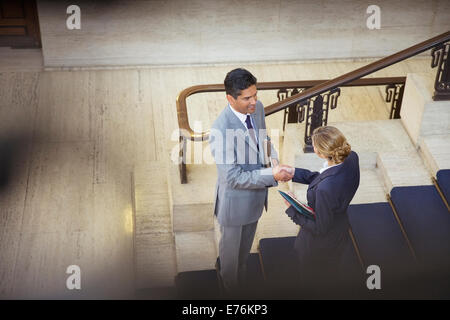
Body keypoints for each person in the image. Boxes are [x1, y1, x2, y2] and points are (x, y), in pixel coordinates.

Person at [209, 68, 293, 295]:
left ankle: (241, 281)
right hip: (235, 204)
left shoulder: (258, 109)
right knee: (230, 259)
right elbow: (232, 177)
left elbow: (264, 140)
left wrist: (273, 160)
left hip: (255, 198)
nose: (254, 101)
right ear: (230, 98)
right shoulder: (220, 130)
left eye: (255, 95)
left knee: (244, 253)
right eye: (247, 98)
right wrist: (271, 176)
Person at [283, 126, 360, 297]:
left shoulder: (325, 189)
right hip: (339, 229)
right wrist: (294, 173)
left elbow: (320, 228)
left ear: (319, 152)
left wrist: (292, 210)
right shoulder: (352, 158)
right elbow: (325, 178)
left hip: (319, 247)